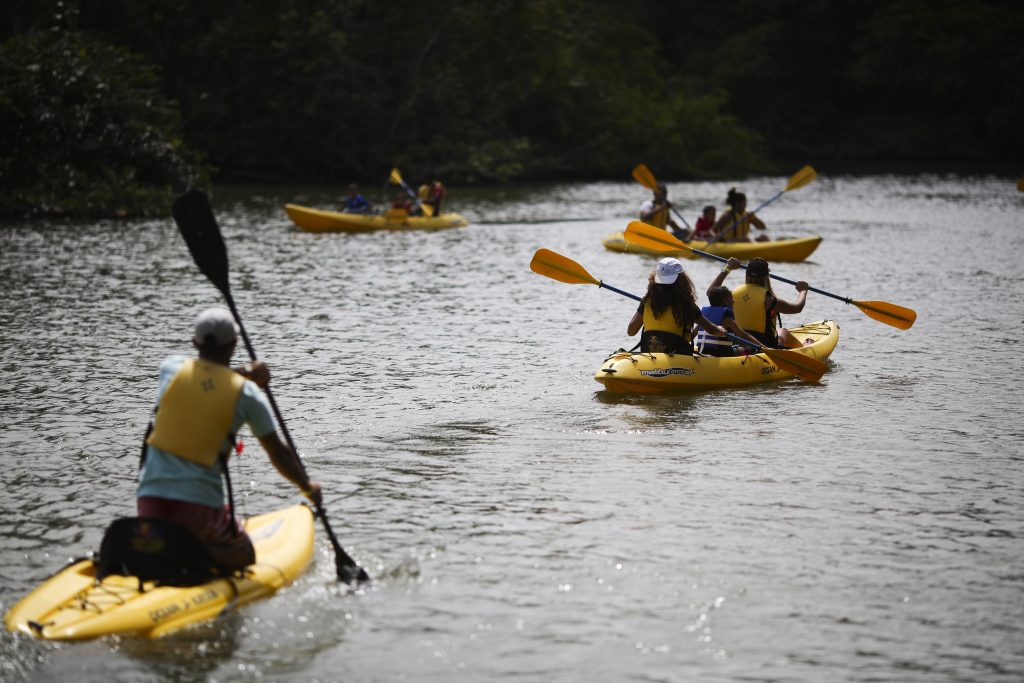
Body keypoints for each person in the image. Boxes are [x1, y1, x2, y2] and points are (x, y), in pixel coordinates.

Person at [137, 307, 323, 572]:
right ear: (234, 345)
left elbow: (206, 378)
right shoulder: (247, 395)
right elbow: (278, 454)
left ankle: (159, 546)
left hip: (149, 503)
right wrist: (307, 487)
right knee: (245, 553)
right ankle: (183, 551)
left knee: (168, 527)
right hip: (198, 510)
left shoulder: (170, 368)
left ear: (194, 342)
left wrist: (247, 372)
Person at [626, 257, 728, 354]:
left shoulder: (647, 301)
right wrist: (721, 331)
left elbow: (631, 331)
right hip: (677, 356)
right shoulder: (687, 305)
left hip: (650, 354)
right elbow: (711, 329)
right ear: (682, 280)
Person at [706, 257, 809, 348]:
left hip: (738, 341)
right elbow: (797, 308)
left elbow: (711, 292)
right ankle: (805, 348)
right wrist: (803, 291)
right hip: (764, 345)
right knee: (783, 331)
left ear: (746, 274)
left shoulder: (732, 295)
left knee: (779, 330)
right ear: (766, 277)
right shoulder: (770, 300)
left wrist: (727, 268)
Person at [694, 259, 763, 356]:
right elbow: (744, 335)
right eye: (731, 298)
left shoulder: (704, 317)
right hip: (721, 355)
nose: (734, 300)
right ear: (725, 301)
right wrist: (764, 348)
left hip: (703, 352)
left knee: (736, 345)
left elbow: (693, 334)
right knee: (748, 348)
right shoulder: (726, 319)